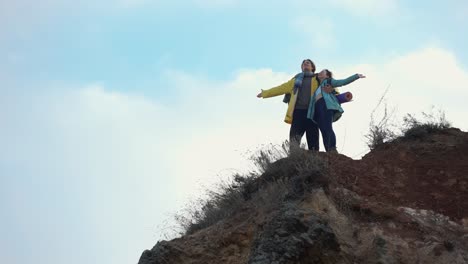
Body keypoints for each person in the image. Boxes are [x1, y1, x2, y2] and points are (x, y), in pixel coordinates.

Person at [257, 59, 324, 151]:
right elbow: (280, 88)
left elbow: (330, 87)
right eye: (303, 64)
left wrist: (337, 94)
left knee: (313, 141)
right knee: (294, 140)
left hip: (312, 113)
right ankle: (294, 160)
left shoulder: (318, 79)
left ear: (312, 67)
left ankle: (314, 162)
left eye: (308, 63)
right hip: (298, 112)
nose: (305, 64)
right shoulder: (296, 80)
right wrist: (265, 93)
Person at [307, 69, 366, 152]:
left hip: (326, 105)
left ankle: (332, 149)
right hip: (318, 108)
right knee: (323, 130)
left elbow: (342, 82)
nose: (320, 72)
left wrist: (356, 76)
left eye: (323, 71)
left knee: (327, 127)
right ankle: (328, 150)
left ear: (327, 75)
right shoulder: (318, 88)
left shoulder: (329, 81)